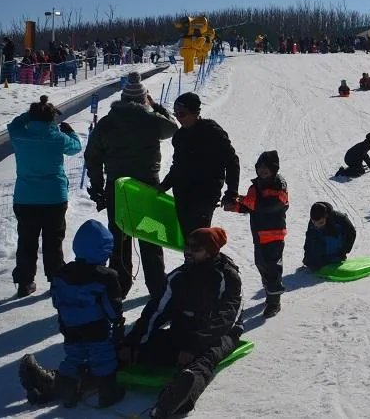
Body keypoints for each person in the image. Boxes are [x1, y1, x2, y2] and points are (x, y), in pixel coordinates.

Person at [20, 227, 243, 419]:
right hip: (183, 330)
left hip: (218, 334)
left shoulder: (228, 276)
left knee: (203, 360)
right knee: (117, 353)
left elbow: (228, 317)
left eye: (196, 249)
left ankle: (175, 400)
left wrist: (193, 347)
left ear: (211, 251)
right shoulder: (180, 276)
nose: (188, 253)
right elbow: (156, 311)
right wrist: (133, 342)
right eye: (187, 247)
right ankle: (59, 384)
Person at [85, 71, 178, 299]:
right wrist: (156, 108)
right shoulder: (151, 120)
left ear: (124, 99)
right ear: (144, 99)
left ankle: (119, 286)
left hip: (117, 188)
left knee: (119, 239)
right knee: (150, 239)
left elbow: (93, 157)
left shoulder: (106, 123)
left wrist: (97, 186)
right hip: (147, 187)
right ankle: (157, 287)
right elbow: (173, 128)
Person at [8, 95, 83, 297]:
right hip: (54, 198)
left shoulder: (20, 136)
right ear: (52, 119)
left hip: (25, 198)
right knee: (53, 241)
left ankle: (25, 282)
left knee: (26, 240)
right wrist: (71, 132)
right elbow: (76, 147)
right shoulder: (57, 138)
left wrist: (32, 113)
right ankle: (56, 280)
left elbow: (13, 124)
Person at [49, 219, 126, 408]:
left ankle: (68, 390)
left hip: (70, 324)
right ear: (103, 250)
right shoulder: (106, 275)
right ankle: (108, 392)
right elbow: (110, 304)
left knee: (74, 354)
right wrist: (117, 321)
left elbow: (57, 300)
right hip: (95, 325)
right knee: (103, 356)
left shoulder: (62, 273)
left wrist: (64, 320)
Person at [159, 92, 241, 239]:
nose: (178, 118)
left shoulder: (212, 132)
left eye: (182, 114)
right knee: (188, 240)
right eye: (176, 114)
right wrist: (164, 185)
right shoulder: (180, 136)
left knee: (199, 239)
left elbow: (232, 161)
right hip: (183, 193)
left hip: (205, 194)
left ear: (195, 113)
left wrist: (231, 192)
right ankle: (191, 262)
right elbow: (177, 165)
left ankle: (207, 262)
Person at [223, 151, 288, 318]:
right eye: (259, 168)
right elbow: (251, 207)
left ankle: (274, 302)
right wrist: (235, 206)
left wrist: (243, 199)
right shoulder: (256, 186)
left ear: (273, 169)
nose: (262, 172)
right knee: (262, 265)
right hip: (259, 234)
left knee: (272, 268)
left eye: (265, 169)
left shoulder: (278, 185)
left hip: (273, 234)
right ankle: (271, 294)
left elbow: (269, 206)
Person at [303, 202, 356, 270]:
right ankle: (322, 258)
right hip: (324, 239)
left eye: (321, 222)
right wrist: (307, 256)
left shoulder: (340, 218)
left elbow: (352, 233)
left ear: (326, 216)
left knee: (330, 238)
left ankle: (335, 257)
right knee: (314, 235)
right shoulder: (314, 221)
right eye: (314, 222)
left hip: (336, 240)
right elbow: (309, 238)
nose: (317, 225)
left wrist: (344, 250)